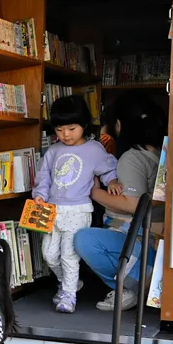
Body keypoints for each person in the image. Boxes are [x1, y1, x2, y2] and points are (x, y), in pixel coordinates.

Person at [74, 91, 167, 312]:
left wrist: (94, 192)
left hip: (140, 242)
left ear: (119, 124)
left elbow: (135, 204)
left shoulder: (133, 157)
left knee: (83, 239)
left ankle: (128, 288)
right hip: (158, 242)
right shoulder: (161, 153)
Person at [33, 95, 121, 313]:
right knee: (49, 255)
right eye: (60, 129)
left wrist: (113, 181)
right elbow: (43, 176)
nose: (65, 135)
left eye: (71, 128)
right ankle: (68, 284)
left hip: (79, 209)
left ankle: (69, 296)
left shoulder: (94, 149)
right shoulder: (53, 151)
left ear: (83, 125)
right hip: (52, 210)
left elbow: (109, 167)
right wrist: (40, 195)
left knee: (69, 255)